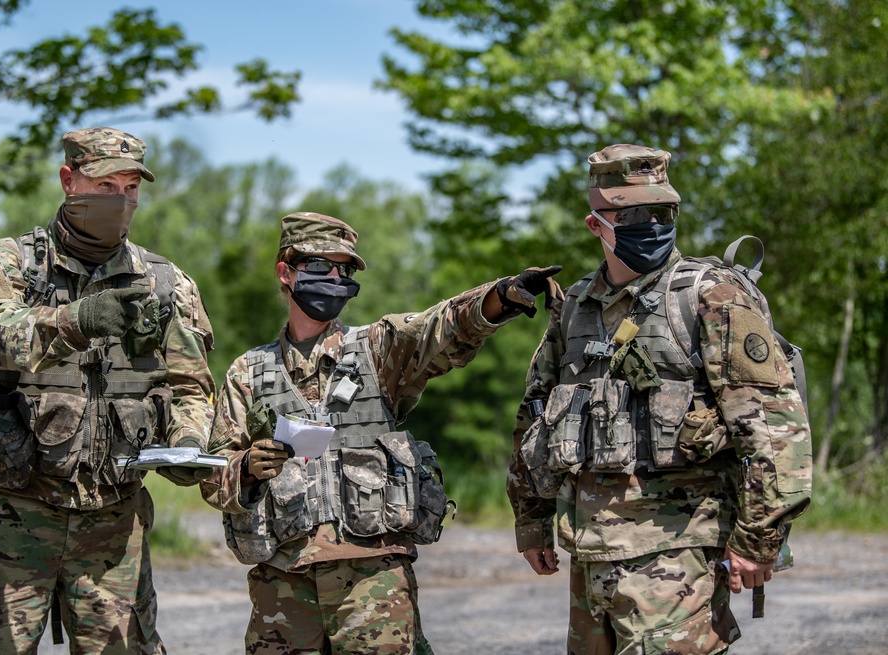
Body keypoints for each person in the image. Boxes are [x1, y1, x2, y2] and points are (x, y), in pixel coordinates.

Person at [200, 211, 561, 654]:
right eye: (319, 266)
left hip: (373, 584)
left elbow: (441, 327)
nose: (334, 277)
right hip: (283, 584)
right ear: (286, 273)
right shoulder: (248, 372)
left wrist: (500, 298)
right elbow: (212, 473)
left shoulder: (379, 349)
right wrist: (248, 469)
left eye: (344, 269)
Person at [507, 144, 812, 654]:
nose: (651, 223)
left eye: (662, 212)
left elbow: (774, 428)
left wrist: (759, 538)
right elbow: (535, 416)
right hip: (590, 555)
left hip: (679, 553)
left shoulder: (709, 296)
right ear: (596, 225)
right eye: (631, 214)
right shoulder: (576, 307)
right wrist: (531, 520)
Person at [0, 127, 217, 654]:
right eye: (105, 184)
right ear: (69, 180)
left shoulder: (165, 283)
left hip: (113, 525)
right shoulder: (11, 263)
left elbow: (191, 387)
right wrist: (77, 319)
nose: (120, 200)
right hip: (13, 516)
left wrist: (189, 444)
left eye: (130, 187)